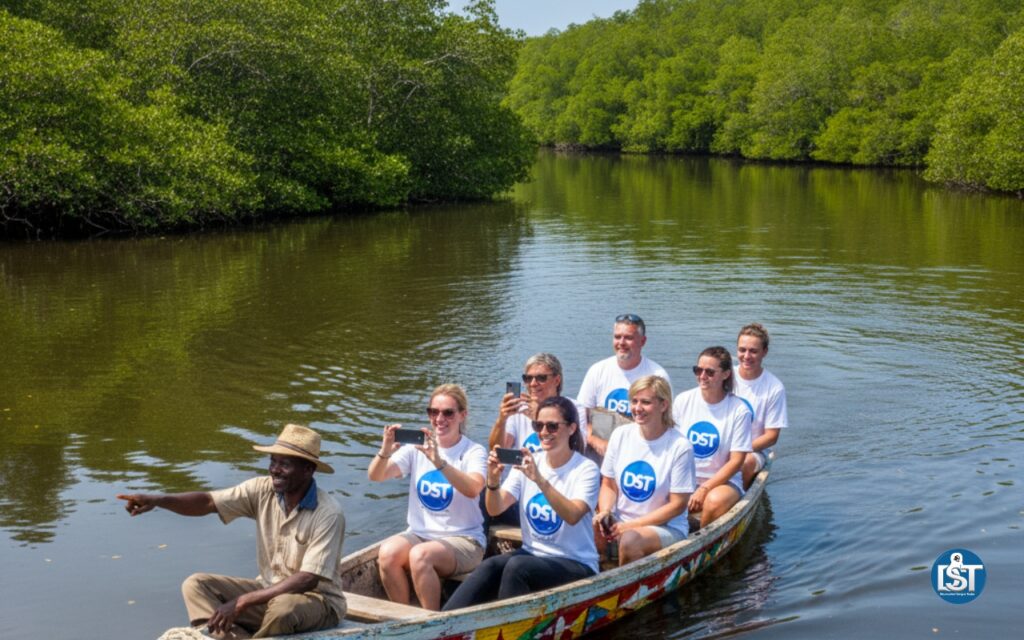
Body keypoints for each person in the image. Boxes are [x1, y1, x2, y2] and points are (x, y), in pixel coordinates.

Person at [117, 424, 345, 639]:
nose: (275, 470)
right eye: (273, 461)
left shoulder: (328, 513)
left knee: (284, 608)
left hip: (317, 602)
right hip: (268, 591)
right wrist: (158, 500)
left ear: (308, 470)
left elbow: (307, 579)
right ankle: (222, 636)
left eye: (284, 464)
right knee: (196, 585)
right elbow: (207, 502)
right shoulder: (261, 490)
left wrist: (242, 602)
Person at [442, 396, 600, 610]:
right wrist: (494, 481)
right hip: (533, 553)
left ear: (572, 428)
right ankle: (443, 623)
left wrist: (540, 480)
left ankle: (507, 626)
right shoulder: (529, 461)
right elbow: (494, 508)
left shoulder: (585, 469)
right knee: (490, 566)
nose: (544, 432)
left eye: (552, 426)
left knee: (517, 567)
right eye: (538, 425)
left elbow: (572, 515)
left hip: (575, 561)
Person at [367, 384, 487, 611]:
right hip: (420, 534)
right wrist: (385, 450)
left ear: (462, 415)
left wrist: (438, 462)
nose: (439, 419)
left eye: (447, 413)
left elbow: (473, 488)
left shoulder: (473, 451)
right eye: (433, 412)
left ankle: (429, 623)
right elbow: (376, 475)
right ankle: (402, 619)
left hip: (464, 540)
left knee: (420, 556)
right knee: (388, 553)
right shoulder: (416, 447)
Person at [594, 376, 696, 565]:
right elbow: (608, 484)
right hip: (623, 522)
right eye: (634, 401)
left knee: (631, 540)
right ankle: (598, 567)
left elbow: (678, 505)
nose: (637, 408)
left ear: (663, 405)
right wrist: (606, 512)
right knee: (589, 520)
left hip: (665, 527)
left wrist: (632, 526)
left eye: (646, 402)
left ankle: (621, 586)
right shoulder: (620, 435)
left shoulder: (680, 446)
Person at [672, 347, 752, 529]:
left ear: (725, 374)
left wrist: (705, 488)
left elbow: (737, 461)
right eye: (698, 370)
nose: (702, 376)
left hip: (723, 482)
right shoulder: (683, 400)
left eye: (709, 372)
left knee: (714, 501)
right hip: (686, 478)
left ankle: (699, 541)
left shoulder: (739, 410)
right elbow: (672, 445)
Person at [577, 314, 670, 457]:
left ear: (643, 341)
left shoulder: (657, 375)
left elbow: (666, 422)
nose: (621, 342)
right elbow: (581, 416)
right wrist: (595, 440)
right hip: (600, 449)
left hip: (640, 451)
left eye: (628, 338)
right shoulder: (597, 370)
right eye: (617, 337)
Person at [733, 323, 788, 489]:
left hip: (754, 450)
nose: (746, 356)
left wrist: (739, 450)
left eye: (753, 351)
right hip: (722, 444)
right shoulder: (725, 376)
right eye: (742, 350)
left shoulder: (774, 388)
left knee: (745, 463)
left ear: (764, 352)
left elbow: (771, 436)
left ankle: (737, 495)